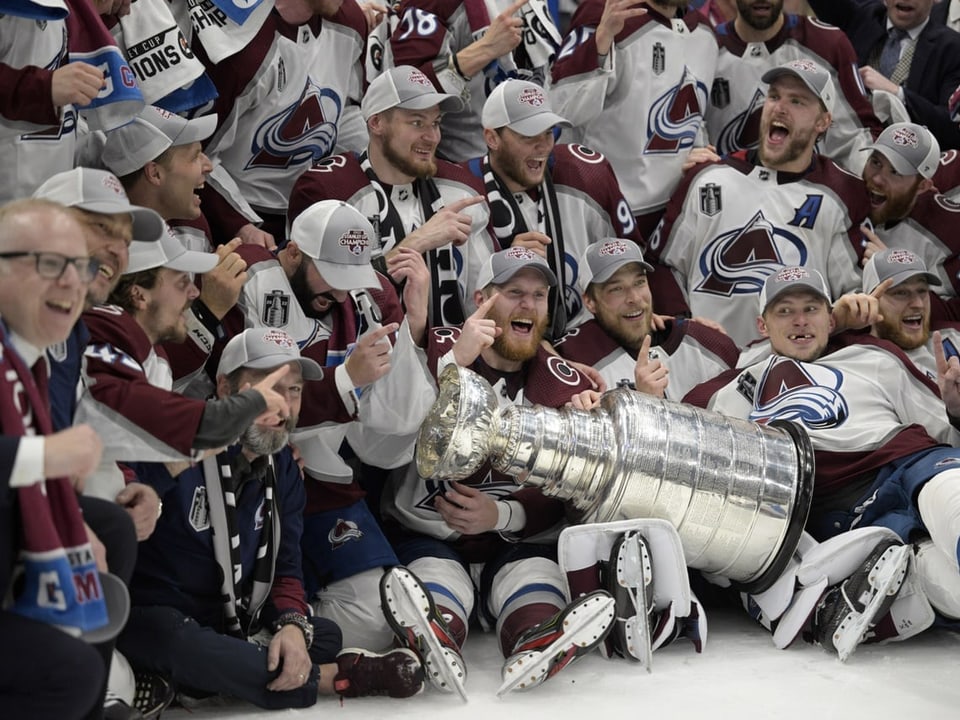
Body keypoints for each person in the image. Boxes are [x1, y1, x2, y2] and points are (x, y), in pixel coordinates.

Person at [116, 327, 425, 709]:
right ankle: (330, 678)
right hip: (155, 617)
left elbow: (286, 568)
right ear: (225, 388)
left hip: (229, 620)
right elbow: (126, 497)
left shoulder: (284, 468)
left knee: (321, 634)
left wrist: (294, 625)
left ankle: (197, 681)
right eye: (267, 388)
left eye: (293, 391)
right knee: (172, 640)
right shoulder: (180, 439)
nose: (283, 406)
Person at [381, 246, 615, 699]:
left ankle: (536, 639)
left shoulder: (568, 386)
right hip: (426, 534)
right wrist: (454, 366)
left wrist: (504, 515)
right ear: (480, 299)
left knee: (534, 577)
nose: (528, 304)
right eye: (513, 293)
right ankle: (434, 635)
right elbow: (387, 430)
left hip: (513, 543)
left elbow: (573, 494)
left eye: (539, 295)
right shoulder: (431, 347)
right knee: (436, 576)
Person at [685, 266, 960, 648]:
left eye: (812, 309)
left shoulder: (875, 355)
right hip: (836, 504)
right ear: (762, 326)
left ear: (831, 319)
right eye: (784, 311)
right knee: (933, 571)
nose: (800, 321)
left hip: (915, 462)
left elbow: (947, 433)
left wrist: (956, 409)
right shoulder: (727, 391)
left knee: (953, 487)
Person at [214, 199, 435, 652]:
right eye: (330, 275)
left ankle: (283, 630)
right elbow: (233, 397)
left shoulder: (367, 295)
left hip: (323, 478)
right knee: (225, 606)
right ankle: (261, 636)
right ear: (293, 251)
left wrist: (411, 330)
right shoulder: (251, 278)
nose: (339, 294)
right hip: (248, 476)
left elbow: (397, 421)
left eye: (348, 279)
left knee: (384, 615)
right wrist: (345, 381)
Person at [0, 199, 131, 719]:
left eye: (81, 267)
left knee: (110, 527)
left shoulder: (26, 355)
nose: (72, 282)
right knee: (65, 671)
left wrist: (70, 523)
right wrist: (44, 454)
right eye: (50, 264)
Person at [646, 58, 869, 347]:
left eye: (797, 101)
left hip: (791, 365)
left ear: (823, 122)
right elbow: (662, 265)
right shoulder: (707, 176)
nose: (779, 107)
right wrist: (683, 323)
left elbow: (853, 296)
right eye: (774, 96)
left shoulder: (842, 193)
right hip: (704, 359)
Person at [76, 231, 287, 503]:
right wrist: (235, 412)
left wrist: (145, 496)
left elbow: (127, 461)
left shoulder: (154, 358)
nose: (195, 291)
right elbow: (119, 412)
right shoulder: (102, 330)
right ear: (139, 295)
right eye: (181, 282)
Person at [288, 65, 496, 329]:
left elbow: (484, 302)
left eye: (435, 123)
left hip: (449, 358)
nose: (432, 137)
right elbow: (316, 302)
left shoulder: (462, 189)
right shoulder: (327, 190)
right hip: (364, 361)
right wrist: (417, 242)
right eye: (417, 122)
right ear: (376, 123)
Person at [466, 79, 643, 335]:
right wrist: (504, 271)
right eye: (528, 136)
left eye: (548, 132)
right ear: (492, 137)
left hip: (587, 341)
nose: (543, 146)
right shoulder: (461, 192)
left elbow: (633, 266)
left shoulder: (586, 174)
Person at [194, 0, 371, 247]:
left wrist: (371, 167)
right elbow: (196, 153)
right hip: (245, 212)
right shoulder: (238, 46)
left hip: (319, 205)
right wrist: (238, 223)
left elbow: (350, 111)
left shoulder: (350, 22)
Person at [550, 0, 719, 239]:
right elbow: (560, 110)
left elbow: (693, 112)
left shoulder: (704, 34)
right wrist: (602, 39)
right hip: (599, 211)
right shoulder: (605, 14)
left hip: (670, 218)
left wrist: (698, 149)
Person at [707, 0, 882, 174]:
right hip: (731, 192)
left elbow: (862, 136)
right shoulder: (707, 47)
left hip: (813, 193)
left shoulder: (827, 44)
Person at [554, 238, 739, 400]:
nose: (634, 298)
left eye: (639, 282)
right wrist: (641, 401)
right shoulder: (573, 360)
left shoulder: (707, 343)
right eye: (617, 289)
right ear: (590, 301)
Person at [388, 0, 563, 161]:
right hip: (465, 168)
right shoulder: (436, 3)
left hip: (531, 159)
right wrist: (484, 49)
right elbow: (405, 95)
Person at [806, 0, 960, 149]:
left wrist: (897, 93)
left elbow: (952, 125)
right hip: (845, 146)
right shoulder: (862, 17)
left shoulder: (952, 48)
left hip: (904, 161)